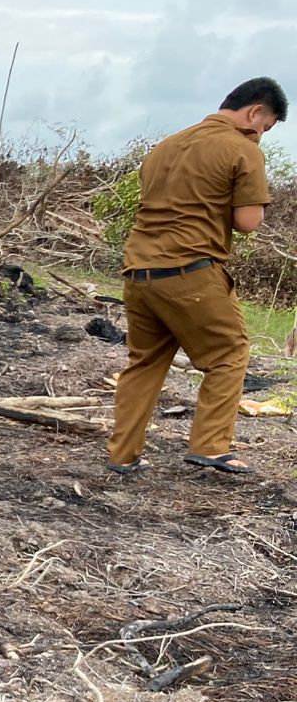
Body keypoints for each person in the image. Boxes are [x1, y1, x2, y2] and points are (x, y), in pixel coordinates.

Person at [107, 76, 286, 477]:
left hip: (138, 270)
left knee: (144, 362)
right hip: (190, 271)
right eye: (266, 126)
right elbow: (248, 223)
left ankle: (122, 454)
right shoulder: (242, 149)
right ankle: (211, 446)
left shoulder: (168, 144)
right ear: (255, 111)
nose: (261, 134)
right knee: (229, 353)